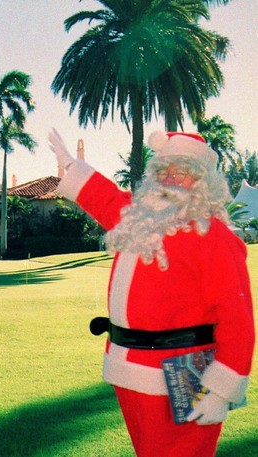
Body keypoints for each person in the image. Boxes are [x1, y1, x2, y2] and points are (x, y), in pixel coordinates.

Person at [50, 129, 255, 457]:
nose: (170, 179)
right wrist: (73, 168)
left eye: (183, 172)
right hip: (128, 369)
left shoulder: (215, 237)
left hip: (185, 374)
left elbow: (237, 321)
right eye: (164, 171)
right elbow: (107, 200)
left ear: (203, 182)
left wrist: (221, 390)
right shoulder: (139, 218)